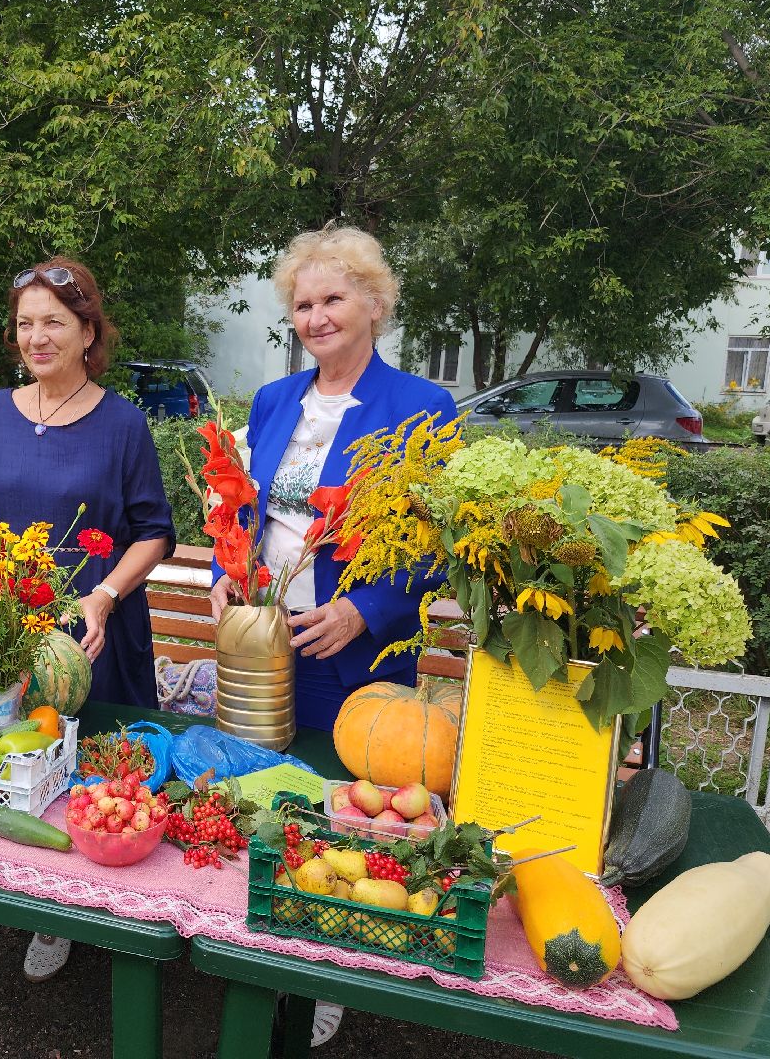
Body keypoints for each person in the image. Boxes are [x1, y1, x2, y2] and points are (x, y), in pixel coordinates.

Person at [209, 225, 457, 1046]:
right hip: (263, 646)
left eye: (333, 299)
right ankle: (256, 941)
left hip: (354, 654)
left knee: (345, 810)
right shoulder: (275, 402)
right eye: (303, 304)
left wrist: (366, 610)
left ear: (375, 305)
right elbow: (241, 509)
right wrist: (223, 580)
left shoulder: (423, 408)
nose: (315, 317)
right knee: (266, 789)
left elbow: (433, 540)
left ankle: (332, 960)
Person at [0, 256, 175, 983]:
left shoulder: (123, 423)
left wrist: (105, 593)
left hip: (96, 637)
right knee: (21, 768)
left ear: (88, 331)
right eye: (26, 323)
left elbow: (155, 531)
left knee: (103, 784)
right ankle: (49, 912)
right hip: (15, 640)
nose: (37, 337)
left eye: (55, 321)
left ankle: (118, 914)